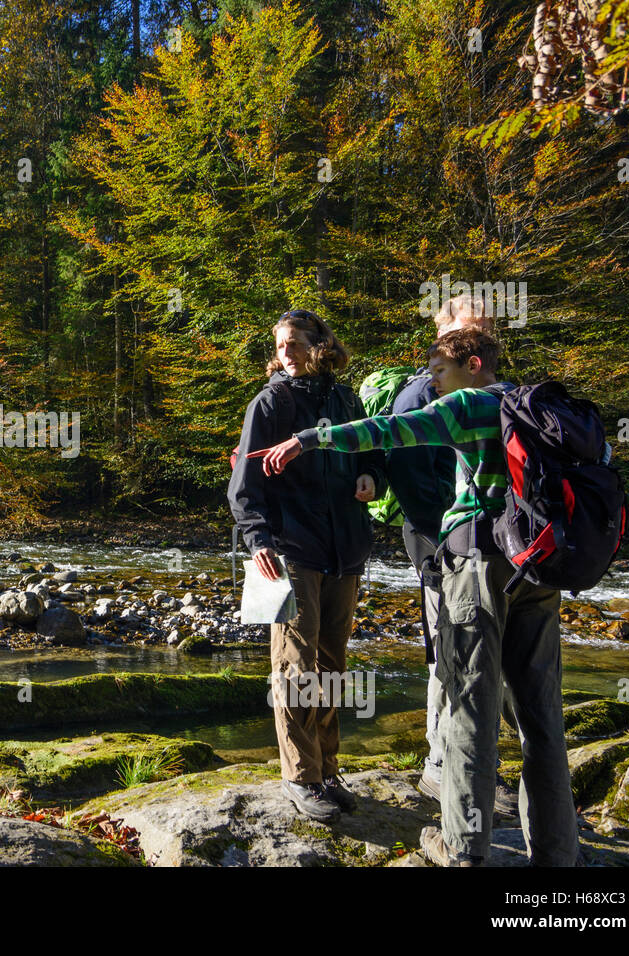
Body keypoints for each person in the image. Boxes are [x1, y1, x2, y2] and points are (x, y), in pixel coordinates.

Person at [251, 328, 578, 866]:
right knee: (542, 719)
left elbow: (391, 430)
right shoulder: (536, 406)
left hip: (479, 569)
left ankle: (462, 847)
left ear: (473, 365)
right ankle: (558, 856)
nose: (432, 382)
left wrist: (307, 441)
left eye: (439, 372)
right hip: (539, 574)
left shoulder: (470, 404)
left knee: (470, 712)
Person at [227, 309, 386, 823]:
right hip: (292, 549)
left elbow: (373, 450)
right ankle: (300, 775)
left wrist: (370, 477)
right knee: (295, 666)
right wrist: (257, 540)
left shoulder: (346, 398)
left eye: (293, 343)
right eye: (279, 346)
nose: (284, 354)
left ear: (321, 345)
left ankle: (328, 768)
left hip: (347, 549)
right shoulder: (271, 402)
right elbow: (243, 484)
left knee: (334, 666)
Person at [388, 294, 521, 817]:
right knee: (450, 652)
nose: (484, 334)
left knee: (479, 652)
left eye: (489, 325)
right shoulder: (429, 387)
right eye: (473, 324)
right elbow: (401, 459)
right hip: (444, 541)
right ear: (446, 329)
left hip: (488, 544)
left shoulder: (487, 389)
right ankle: (441, 765)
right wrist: (443, 531)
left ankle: (471, 760)